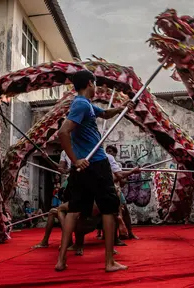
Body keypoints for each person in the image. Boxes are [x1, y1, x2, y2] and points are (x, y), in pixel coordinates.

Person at [56, 69, 134, 272]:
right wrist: (75, 160)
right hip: (96, 163)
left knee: (74, 211)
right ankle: (109, 262)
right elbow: (63, 132)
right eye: (95, 83)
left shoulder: (87, 106)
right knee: (109, 209)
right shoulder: (81, 104)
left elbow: (106, 113)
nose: (97, 87)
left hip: (84, 168)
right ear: (90, 83)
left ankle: (62, 260)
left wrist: (122, 108)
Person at [106, 145, 139, 240]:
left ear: (115, 154)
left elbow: (122, 181)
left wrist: (122, 178)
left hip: (116, 190)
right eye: (108, 151)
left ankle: (130, 232)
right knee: (108, 213)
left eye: (111, 151)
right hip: (106, 190)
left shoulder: (117, 165)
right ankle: (111, 237)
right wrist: (131, 171)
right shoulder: (102, 162)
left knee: (124, 212)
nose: (109, 153)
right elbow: (117, 177)